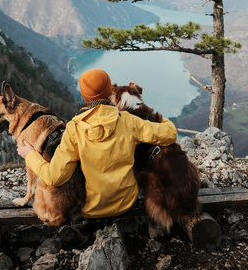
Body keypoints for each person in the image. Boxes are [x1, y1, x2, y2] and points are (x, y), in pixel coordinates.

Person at [17, 68, 177, 218]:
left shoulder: (74, 128)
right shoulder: (128, 121)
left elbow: (54, 177)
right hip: (126, 202)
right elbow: (170, 135)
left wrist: (30, 155)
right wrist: (161, 119)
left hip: (92, 209)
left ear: (84, 95)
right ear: (109, 92)